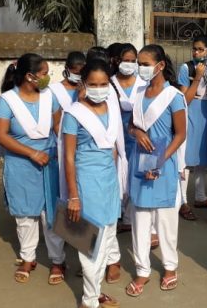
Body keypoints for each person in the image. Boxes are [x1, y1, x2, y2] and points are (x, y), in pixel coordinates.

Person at [0, 53, 66, 285]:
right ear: (29, 76)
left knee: (52, 214)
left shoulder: (49, 96)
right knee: (25, 214)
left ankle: (57, 260)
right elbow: (1, 135)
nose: (48, 77)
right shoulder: (7, 101)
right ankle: (28, 257)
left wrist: (64, 150)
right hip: (21, 164)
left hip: (50, 162)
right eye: (44, 73)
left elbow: (58, 124)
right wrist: (32, 153)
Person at [63, 59, 125, 308]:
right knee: (90, 245)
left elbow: (113, 148)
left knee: (108, 237)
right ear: (84, 84)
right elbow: (68, 157)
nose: (99, 89)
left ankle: (94, 292)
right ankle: (89, 301)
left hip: (108, 180)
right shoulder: (74, 114)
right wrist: (73, 196)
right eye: (93, 84)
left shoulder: (111, 108)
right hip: (86, 182)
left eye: (103, 84)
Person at [125, 44, 186, 298]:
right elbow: (131, 126)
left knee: (165, 220)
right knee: (140, 219)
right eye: (138, 63)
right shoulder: (139, 93)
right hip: (140, 162)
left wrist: (160, 159)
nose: (140, 68)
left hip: (164, 162)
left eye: (145, 64)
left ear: (160, 66)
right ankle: (142, 269)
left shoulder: (174, 96)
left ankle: (170, 267)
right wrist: (137, 133)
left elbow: (180, 134)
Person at [177, 36, 207, 221]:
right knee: (186, 159)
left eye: (200, 49)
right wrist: (198, 78)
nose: (196, 52)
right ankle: (182, 201)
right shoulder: (187, 68)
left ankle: (200, 196)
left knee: (202, 158)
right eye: (194, 48)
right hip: (192, 112)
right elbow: (185, 99)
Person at [111, 44, 145, 234]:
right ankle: (116, 215)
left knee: (134, 175)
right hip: (116, 138)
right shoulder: (109, 83)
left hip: (137, 137)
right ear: (117, 60)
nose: (130, 64)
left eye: (133, 61)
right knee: (117, 176)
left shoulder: (142, 83)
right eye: (126, 60)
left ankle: (129, 218)